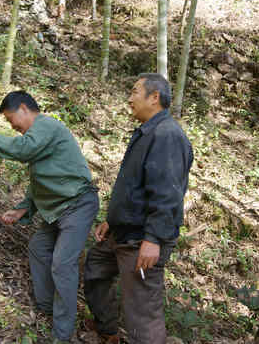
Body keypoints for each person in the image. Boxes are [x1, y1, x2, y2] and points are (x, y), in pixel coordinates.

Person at [0, 91, 99, 344]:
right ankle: (47, 307)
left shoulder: (46, 125)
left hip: (77, 205)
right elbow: (41, 181)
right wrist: (22, 209)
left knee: (62, 264)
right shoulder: (38, 136)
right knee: (38, 247)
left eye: (12, 120)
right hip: (57, 210)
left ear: (24, 108)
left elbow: (24, 150)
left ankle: (62, 333)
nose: (13, 126)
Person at [83, 73, 193, 344]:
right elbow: (135, 186)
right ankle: (108, 331)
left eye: (135, 92)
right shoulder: (148, 131)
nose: (129, 98)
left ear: (154, 97)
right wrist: (112, 219)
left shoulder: (167, 135)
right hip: (122, 232)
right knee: (96, 270)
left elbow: (167, 194)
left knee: (142, 313)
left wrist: (153, 239)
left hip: (141, 239)